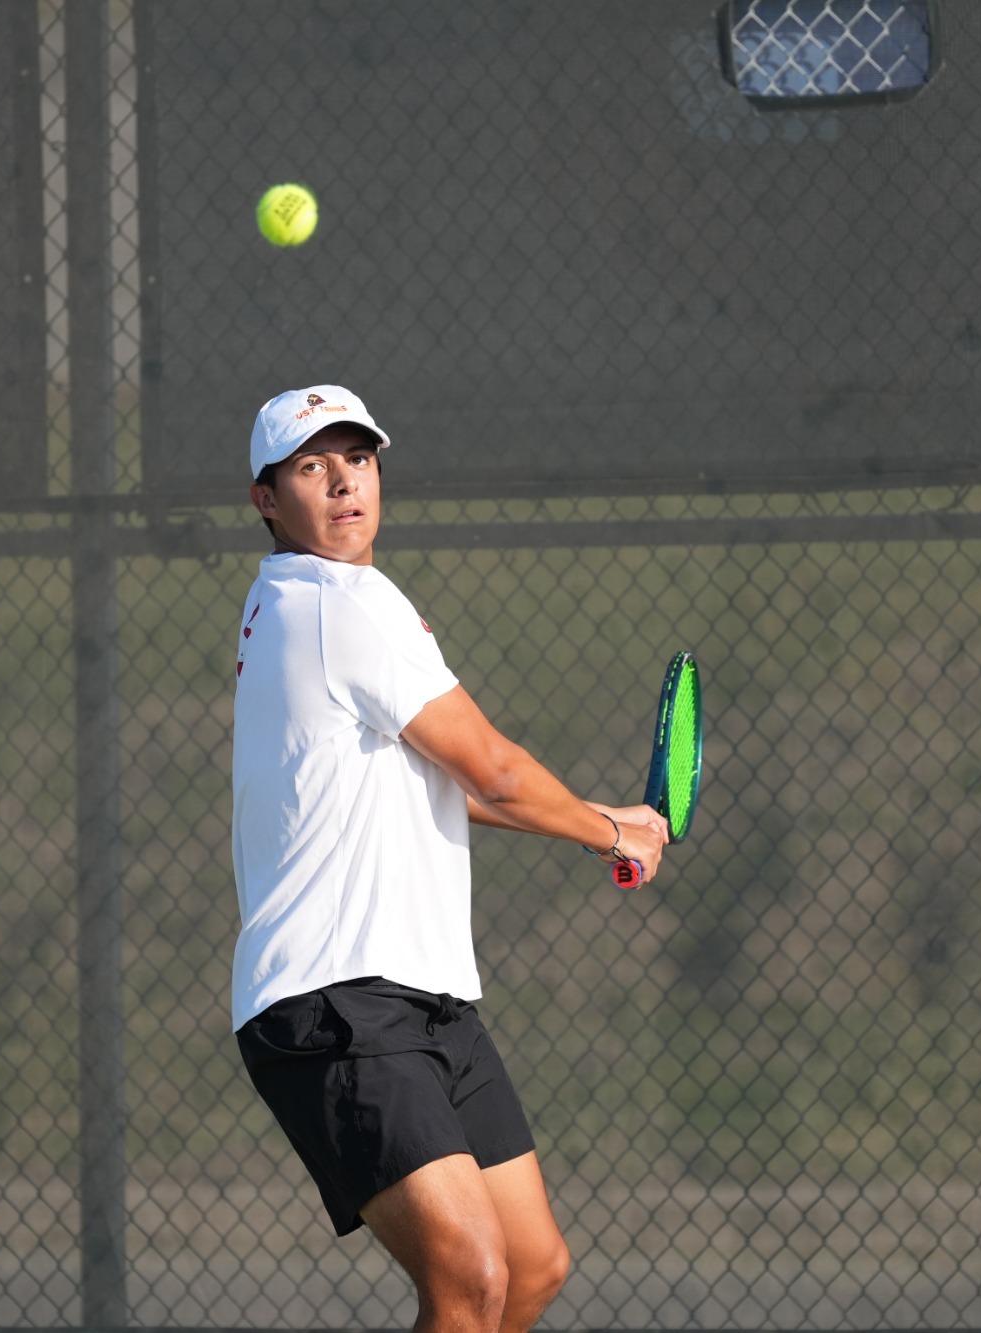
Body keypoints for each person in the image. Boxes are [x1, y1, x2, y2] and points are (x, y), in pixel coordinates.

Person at [230, 384, 670, 1333]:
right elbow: (495, 769)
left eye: (359, 459)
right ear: (267, 498)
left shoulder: (288, 604)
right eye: (313, 466)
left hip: (424, 994)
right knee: (470, 1275)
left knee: (531, 1265)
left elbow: (433, 781)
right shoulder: (342, 605)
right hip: (339, 998)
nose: (345, 483)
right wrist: (609, 836)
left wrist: (599, 813)